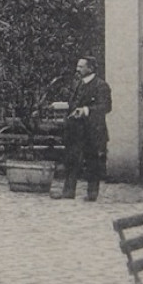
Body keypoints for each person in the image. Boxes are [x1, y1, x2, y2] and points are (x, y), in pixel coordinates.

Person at [59, 56, 112, 201]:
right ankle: (68, 192)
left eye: (81, 66)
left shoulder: (101, 86)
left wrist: (86, 110)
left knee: (92, 162)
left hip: (92, 130)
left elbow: (106, 107)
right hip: (75, 130)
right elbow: (73, 104)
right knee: (71, 160)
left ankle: (92, 194)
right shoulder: (77, 84)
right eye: (78, 66)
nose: (78, 69)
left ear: (91, 68)